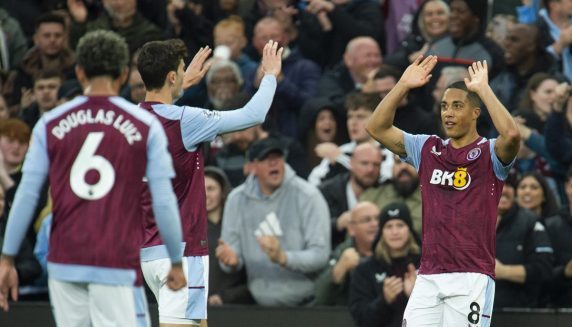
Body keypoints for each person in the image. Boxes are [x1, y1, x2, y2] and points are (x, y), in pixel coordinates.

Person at [0, 30, 186, 326]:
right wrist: (176, 260)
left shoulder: (49, 124)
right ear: (125, 74)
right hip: (114, 258)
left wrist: (6, 258)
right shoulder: (145, 125)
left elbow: (26, 195)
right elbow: (163, 200)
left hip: (64, 260)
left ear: (80, 71)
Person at [366, 55, 520, 325]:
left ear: (475, 113)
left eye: (457, 106)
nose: (448, 113)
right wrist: (402, 84)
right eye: (445, 106)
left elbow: (512, 136)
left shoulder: (490, 154)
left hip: (471, 276)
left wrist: (483, 90)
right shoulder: (427, 149)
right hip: (428, 276)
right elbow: (376, 127)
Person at [137, 38, 282, 325]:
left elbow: (159, 109)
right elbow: (253, 115)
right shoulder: (186, 121)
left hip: (148, 252)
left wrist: (180, 87)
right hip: (182, 252)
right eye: (180, 68)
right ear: (171, 76)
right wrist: (270, 76)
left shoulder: (131, 119)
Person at [216, 138, 330, 306]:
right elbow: (232, 255)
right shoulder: (237, 200)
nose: (274, 163)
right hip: (258, 306)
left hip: (307, 307)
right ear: (253, 167)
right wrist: (231, 262)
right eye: (266, 159)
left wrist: (284, 258)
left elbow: (320, 255)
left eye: (278, 157)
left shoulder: (308, 196)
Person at [349, 202, 421, 327]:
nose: (395, 232)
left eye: (400, 225)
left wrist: (415, 296)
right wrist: (384, 300)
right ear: (381, 232)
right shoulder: (365, 271)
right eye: (389, 226)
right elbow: (361, 319)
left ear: (409, 229)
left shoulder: (426, 265)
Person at [495, 181, 554, 308]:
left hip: (520, 313)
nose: (504, 189)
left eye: (509, 184)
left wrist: (504, 271)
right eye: (497, 183)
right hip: (477, 310)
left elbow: (545, 270)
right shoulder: (469, 220)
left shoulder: (531, 221)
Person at [314, 201, 380, 306]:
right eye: (367, 220)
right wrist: (337, 273)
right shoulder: (344, 251)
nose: (374, 224)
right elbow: (320, 297)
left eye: (378, 219)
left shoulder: (392, 249)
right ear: (351, 229)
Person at [205, 166, 254, 306]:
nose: (205, 194)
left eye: (210, 189)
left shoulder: (240, 225)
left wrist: (225, 297)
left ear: (223, 192)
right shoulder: (188, 230)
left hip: (236, 307)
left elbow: (252, 274)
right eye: (200, 189)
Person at [318, 142, 382, 249]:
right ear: (351, 163)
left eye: (376, 165)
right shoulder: (326, 191)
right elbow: (313, 228)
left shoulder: (387, 190)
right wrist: (337, 224)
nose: (370, 170)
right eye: (364, 163)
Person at [544, 167, 572, 307]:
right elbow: (540, 276)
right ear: (567, 186)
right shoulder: (550, 226)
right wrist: (565, 272)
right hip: (559, 312)